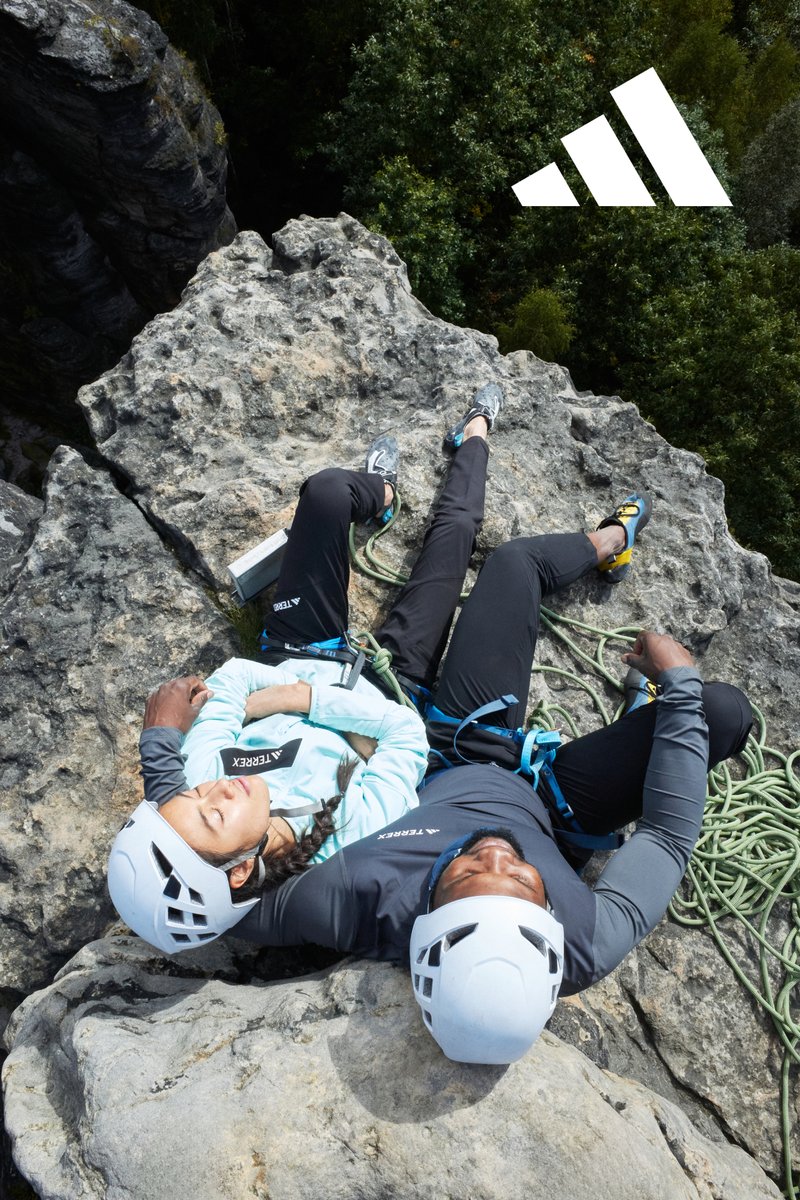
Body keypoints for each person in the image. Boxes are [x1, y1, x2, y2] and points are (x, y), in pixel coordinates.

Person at [110, 389, 752, 1068]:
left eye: (468, 872)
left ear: (424, 925)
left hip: (452, 747)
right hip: (543, 793)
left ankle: (601, 541)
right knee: (724, 712)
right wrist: (679, 684)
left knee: (489, 557)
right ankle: (613, 546)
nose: (498, 854)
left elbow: (213, 884)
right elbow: (667, 834)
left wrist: (161, 746)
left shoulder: (345, 895)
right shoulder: (589, 941)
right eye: (526, 881)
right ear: (549, 929)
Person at [107, 386, 504, 949]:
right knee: (456, 537)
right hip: (398, 683)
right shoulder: (342, 840)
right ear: (240, 872)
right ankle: (477, 435)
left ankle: (381, 493)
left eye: (196, 798)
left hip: (299, 648)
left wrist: (315, 706)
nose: (214, 791)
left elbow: (236, 678)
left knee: (326, 493)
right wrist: (295, 700)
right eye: (214, 816)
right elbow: (406, 735)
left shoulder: (202, 785)